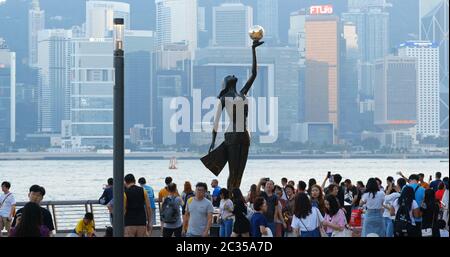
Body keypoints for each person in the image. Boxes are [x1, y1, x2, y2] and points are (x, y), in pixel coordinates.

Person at [207, 40, 264, 192]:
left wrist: (253, 50)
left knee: (240, 171)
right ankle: (230, 197)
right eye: (229, 75)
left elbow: (254, 74)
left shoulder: (243, 93)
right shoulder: (224, 99)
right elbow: (216, 122)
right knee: (233, 171)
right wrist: (213, 141)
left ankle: (235, 195)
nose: (232, 75)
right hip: (232, 135)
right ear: (226, 83)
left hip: (244, 135)